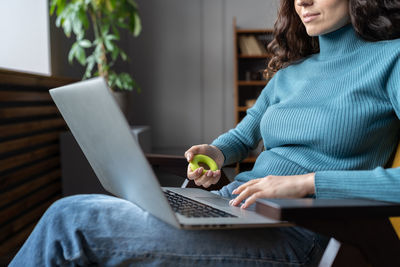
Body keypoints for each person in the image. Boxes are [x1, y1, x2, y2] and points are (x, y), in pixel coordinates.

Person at [10, 0, 400, 266]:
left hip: (304, 231)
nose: (303, 1)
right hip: (235, 208)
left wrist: (304, 184)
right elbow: (243, 136)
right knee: (77, 217)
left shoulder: (391, 59)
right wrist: (214, 154)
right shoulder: (290, 75)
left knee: (69, 220)